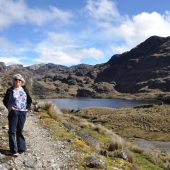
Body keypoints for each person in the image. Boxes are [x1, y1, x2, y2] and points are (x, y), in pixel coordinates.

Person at [3, 74, 32, 155]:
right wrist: (10, 108)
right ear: (13, 81)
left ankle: (22, 148)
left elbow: (29, 100)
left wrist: (27, 108)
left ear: (22, 81)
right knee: (12, 131)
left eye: (19, 80)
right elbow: (5, 101)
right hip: (14, 112)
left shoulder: (25, 89)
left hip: (23, 112)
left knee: (20, 130)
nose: (17, 81)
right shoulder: (10, 90)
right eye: (16, 79)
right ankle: (13, 150)